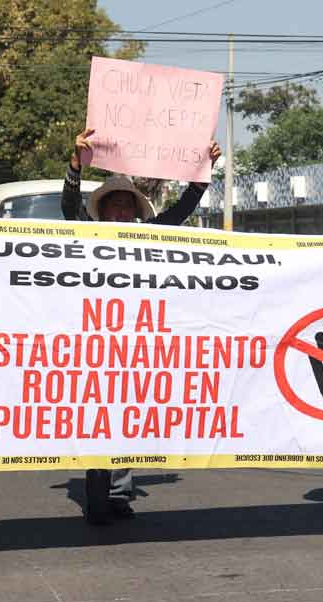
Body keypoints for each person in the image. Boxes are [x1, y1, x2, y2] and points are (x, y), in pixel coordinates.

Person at [63, 128, 222, 525]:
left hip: (138, 343)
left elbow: (182, 210)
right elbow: (69, 209)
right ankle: (99, 493)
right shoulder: (87, 237)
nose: (120, 211)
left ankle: (120, 492)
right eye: (114, 204)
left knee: (127, 419)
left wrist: (204, 172)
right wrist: (74, 167)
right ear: (102, 211)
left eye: (126, 205)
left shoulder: (151, 237)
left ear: (136, 211)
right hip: (97, 340)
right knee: (99, 419)